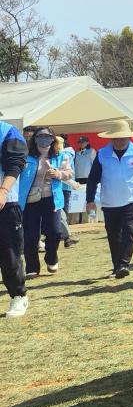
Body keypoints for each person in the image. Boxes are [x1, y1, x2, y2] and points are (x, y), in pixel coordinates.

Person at [85, 120, 133, 278]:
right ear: (110, 138)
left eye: (122, 138)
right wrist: (90, 199)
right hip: (110, 200)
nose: (119, 141)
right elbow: (93, 178)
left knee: (129, 231)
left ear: (129, 137)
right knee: (113, 235)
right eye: (116, 138)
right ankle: (117, 266)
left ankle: (124, 263)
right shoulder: (102, 154)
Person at [17, 126, 72, 276]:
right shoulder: (26, 156)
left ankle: (51, 258)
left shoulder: (61, 156)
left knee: (55, 231)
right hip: (30, 200)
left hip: (52, 198)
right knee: (31, 235)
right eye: (40, 136)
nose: (43, 139)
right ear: (34, 139)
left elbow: (69, 173)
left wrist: (58, 174)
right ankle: (32, 267)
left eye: (47, 136)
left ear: (53, 139)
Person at [0, 117, 29, 317]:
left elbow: (16, 163)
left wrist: (3, 190)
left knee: (9, 254)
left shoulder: (8, 132)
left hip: (6, 202)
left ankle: (18, 295)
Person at [70, 136, 95, 225]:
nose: (81, 144)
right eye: (80, 142)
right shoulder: (76, 153)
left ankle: (91, 220)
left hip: (88, 179)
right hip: (78, 179)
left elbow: (94, 165)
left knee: (89, 199)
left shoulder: (92, 151)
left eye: (83, 142)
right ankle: (77, 220)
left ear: (87, 142)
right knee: (78, 200)